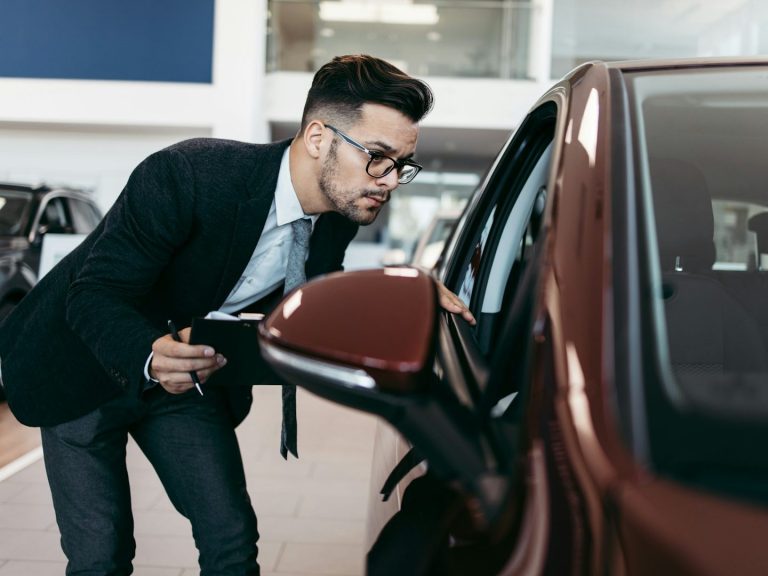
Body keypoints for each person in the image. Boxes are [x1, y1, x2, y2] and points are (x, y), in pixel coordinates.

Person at [0, 54, 474, 574]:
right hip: (82, 366)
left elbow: (314, 302)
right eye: (378, 157)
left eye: (401, 165)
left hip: (187, 381)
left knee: (231, 538)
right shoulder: (190, 173)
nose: (388, 180)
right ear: (318, 138)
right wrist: (148, 356)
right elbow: (94, 293)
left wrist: (401, 292)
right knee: (101, 554)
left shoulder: (339, 215)